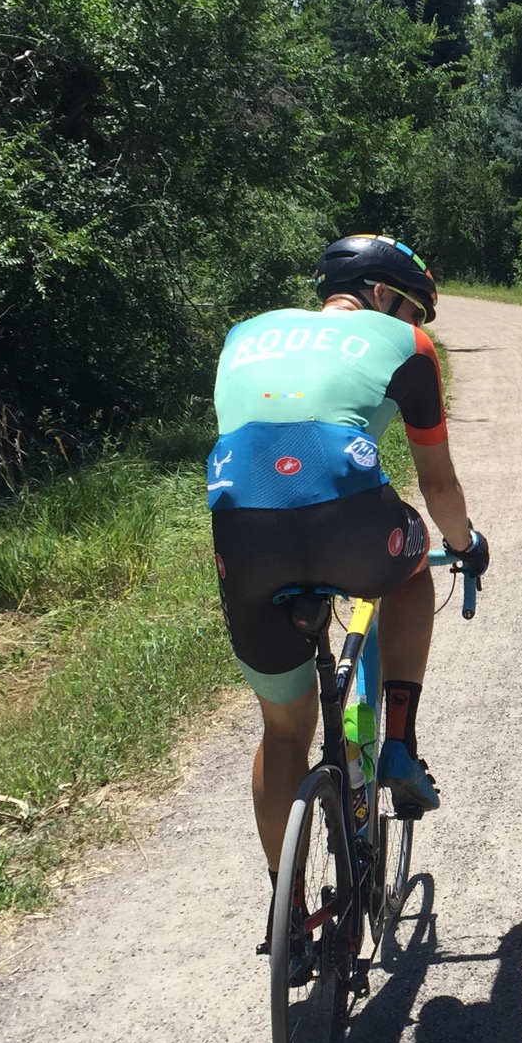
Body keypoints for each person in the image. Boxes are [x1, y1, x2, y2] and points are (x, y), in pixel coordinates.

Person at [207, 233, 489, 871]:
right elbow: (438, 485)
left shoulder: (243, 334)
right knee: (413, 565)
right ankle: (398, 743)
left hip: (242, 535)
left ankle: (291, 911)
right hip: (351, 528)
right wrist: (464, 546)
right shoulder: (408, 346)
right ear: (383, 294)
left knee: (283, 730)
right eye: (415, 309)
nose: (420, 326)